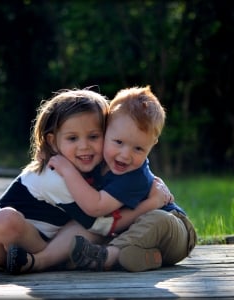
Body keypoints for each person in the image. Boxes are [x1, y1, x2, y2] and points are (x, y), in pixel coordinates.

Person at [0, 88, 169, 274]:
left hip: (44, 241)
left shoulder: (91, 169)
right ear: (52, 141)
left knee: (84, 227)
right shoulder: (55, 176)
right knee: (9, 219)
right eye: (72, 138)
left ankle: (55, 259)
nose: (84, 146)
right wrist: (152, 203)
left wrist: (150, 181)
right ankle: (63, 261)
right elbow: (103, 223)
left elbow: (129, 181)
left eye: (93, 136)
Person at [50, 86, 197, 272]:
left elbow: (97, 207)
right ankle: (143, 257)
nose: (125, 155)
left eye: (138, 149)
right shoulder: (95, 161)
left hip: (176, 232)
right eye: (118, 142)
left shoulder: (135, 176)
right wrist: (49, 156)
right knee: (125, 251)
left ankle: (106, 255)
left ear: (152, 145)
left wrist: (154, 203)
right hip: (132, 237)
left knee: (159, 219)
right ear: (105, 130)